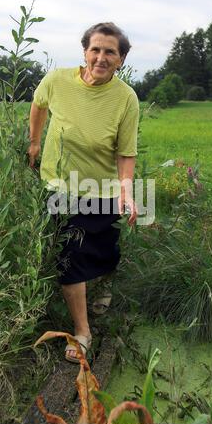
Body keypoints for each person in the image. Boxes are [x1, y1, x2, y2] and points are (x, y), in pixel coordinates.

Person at [28, 22, 139, 363]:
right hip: (59, 186)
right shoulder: (57, 80)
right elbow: (38, 103)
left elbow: (125, 152)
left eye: (110, 52)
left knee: (104, 250)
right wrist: (34, 141)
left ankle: (103, 285)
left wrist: (127, 191)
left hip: (101, 188)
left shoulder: (126, 99)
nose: (101, 58)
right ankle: (82, 332)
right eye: (96, 49)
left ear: (121, 60)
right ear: (85, 52)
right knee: (69, 260)